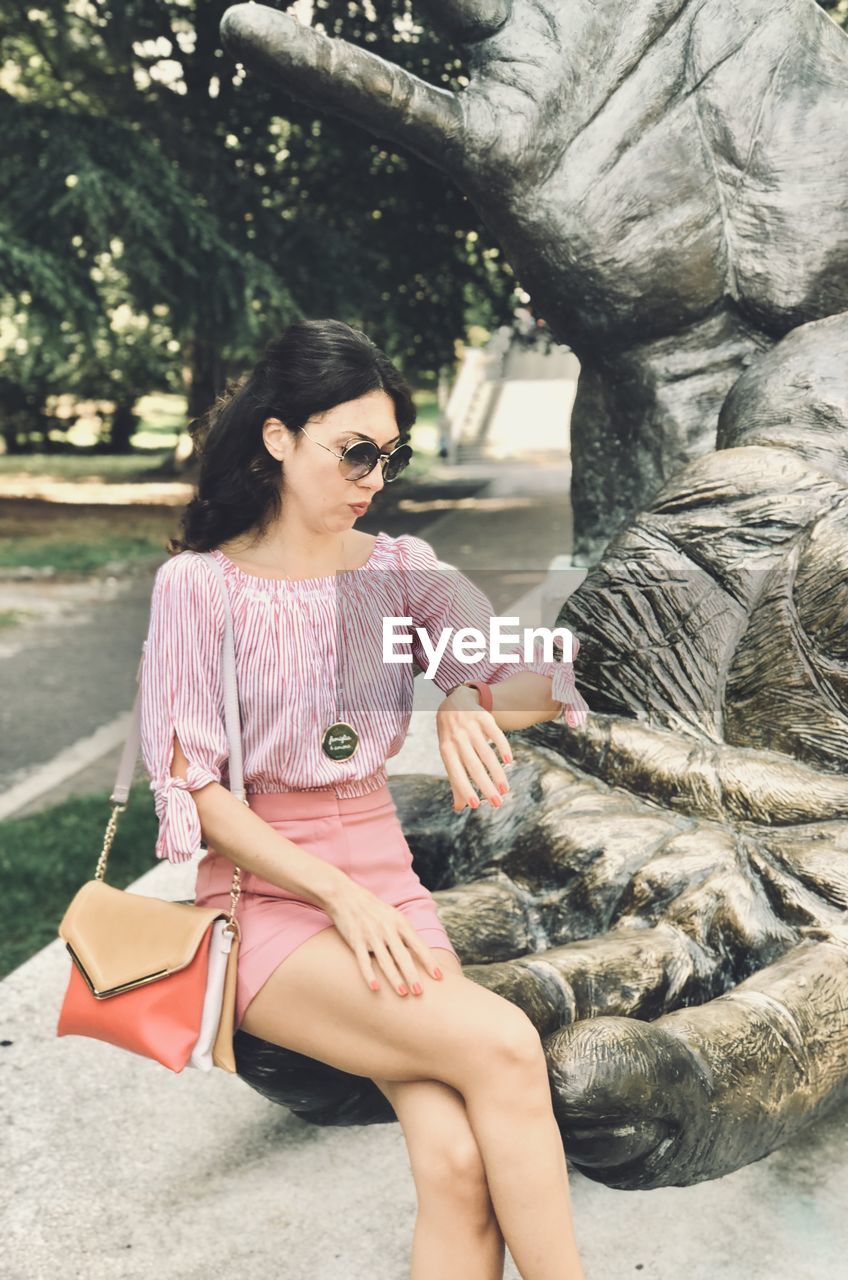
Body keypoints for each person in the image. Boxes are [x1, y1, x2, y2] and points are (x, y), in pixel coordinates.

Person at [139, 318, 590, 1280]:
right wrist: (339, 899)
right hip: (268, 898)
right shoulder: (201, 588)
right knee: (507, 1046)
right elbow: (199, 793)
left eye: (389, 457)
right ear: (277, 439)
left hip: (386, 879)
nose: (375, 479)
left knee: (458, 1161)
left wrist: (467, 693)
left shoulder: (394, 574)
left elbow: (529, 675)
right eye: (353, 453)